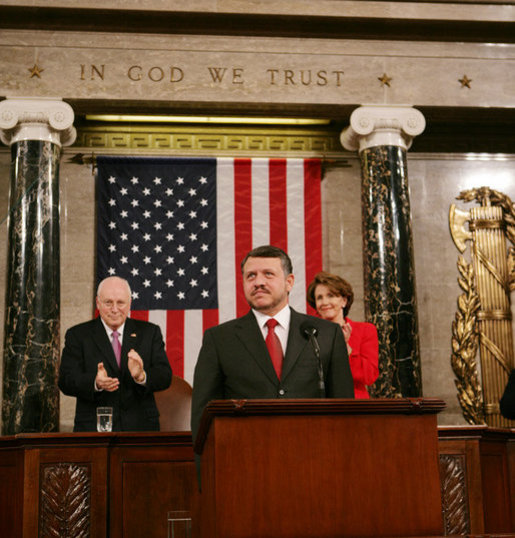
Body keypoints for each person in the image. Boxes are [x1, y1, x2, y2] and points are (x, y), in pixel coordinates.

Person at [191, 245, 354, 444]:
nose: (258, 282)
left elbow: (345, 410)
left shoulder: (326, 334)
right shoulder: (219, 339)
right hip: (244, 458)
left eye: (268, 274)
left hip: (314, 456)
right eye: (251, 276)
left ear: (289, 282)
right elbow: (203, 416)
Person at [58, 276, 172, 431]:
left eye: (120, 302)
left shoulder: (150, 333)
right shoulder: (78, 335)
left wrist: (141, 376)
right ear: (98, 302)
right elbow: (66, 380)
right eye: (108, 302)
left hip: (141, 429)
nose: (114, 309)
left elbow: (164, 376)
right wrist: (95, 382)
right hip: (93, 429)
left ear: (130, 303)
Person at [307, 271, 379, 399]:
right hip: (317, 406)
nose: (325, 302)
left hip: (354, 407)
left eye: (331, 295)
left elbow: (369, 376)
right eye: (319, 297)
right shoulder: (308, 334)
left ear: (344, 301)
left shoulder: (365, 330)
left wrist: (346, 349)